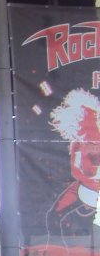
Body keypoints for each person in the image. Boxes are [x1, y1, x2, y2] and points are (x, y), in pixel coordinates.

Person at [46, 88, 100, 240]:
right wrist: (90, 181)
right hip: (85, 188)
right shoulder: (78, 144)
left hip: (91, 189)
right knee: (55, 213)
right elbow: (77, 170)